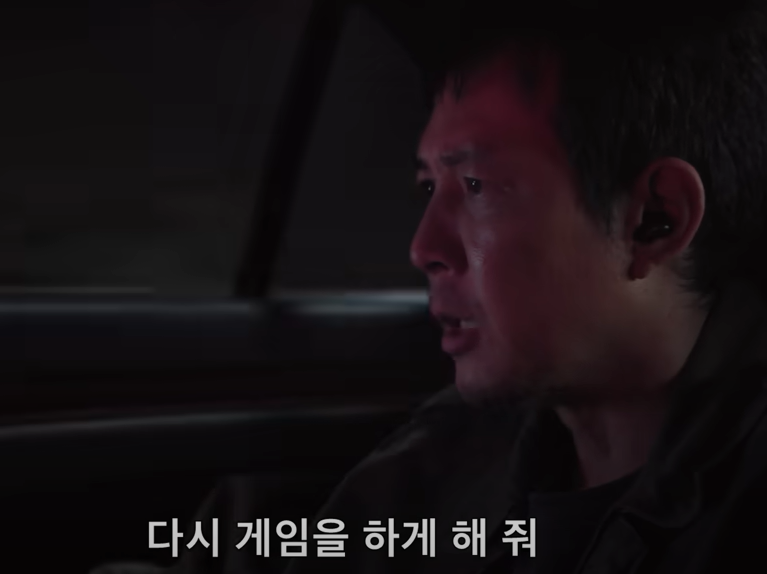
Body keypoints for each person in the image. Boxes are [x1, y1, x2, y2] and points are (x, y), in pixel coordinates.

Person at [103, 1, 767, 573]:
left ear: (654, 219)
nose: (424, 248)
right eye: (429, 188)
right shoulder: (455, 453)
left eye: (476, 186)